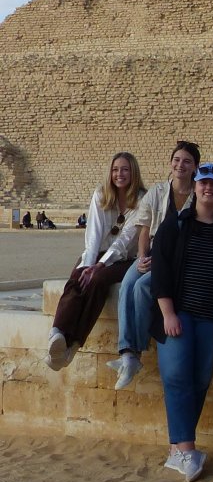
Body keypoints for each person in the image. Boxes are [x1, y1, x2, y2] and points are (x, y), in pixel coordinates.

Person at [151, 163, 213, 482]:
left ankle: (178, 449)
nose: (208, 188)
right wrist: (168, 313)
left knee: (200, 380)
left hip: (211, 317)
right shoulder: (174, 226)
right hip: (178, 315)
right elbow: (160, 272)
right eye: (203, 183)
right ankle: (187, 449)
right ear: (194, 186)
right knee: (176, 376)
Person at [108, 141, 200, 390]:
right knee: (128, 283)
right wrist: (141, 257)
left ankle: (135, 352)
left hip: (177, 261)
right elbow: (144, 229)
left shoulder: (198, 194)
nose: (180, 165)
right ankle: (126, 352)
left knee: (141, 289)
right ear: (171, 163)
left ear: (195, 167)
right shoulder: (158, 192)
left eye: (187, 161)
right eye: (177, 160)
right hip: (152, 254)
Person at [46, 152, 146, 370]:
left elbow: (127, 238)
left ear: (133, 172)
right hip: (97, 253)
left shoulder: (141, 200)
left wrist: (100, 265)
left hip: (124, 259)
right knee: (78, 277)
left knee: (98, 281)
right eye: (115, 169)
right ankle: (58, 333)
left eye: (125, 169)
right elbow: (93, 236)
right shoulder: (101, 195)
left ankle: (73, 344)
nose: (119, 174)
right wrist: (88, 264)